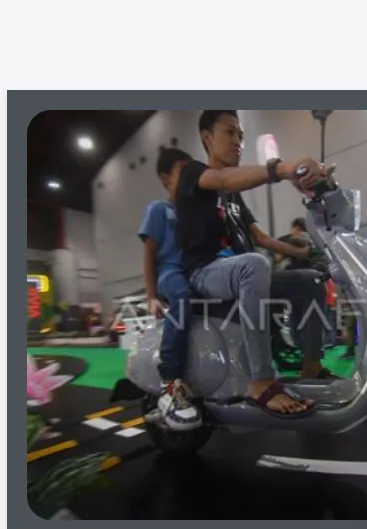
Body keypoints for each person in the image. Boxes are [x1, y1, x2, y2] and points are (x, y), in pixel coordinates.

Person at [173, 110, 330, 418]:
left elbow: (260, 237)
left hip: (239, 271)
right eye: (230, 133)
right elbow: (222, 179)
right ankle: (261, 381)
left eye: (241, 136)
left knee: (311, 279)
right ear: (207, 138)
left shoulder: (233, 196)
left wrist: (305, 254)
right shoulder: (194, 173)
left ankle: (311, 365)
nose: (238, 142)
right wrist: (284, 169)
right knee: (254, 264)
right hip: (205, 273)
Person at [137, 147, 202, 428]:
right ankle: (170, 380)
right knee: (183, 297)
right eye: (182, 170)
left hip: (194, 271)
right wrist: (151, 295)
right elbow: (149, 254)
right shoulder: (158, 210)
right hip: (170, 274)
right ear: (166, 179)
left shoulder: (194, 213)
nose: (190, 176)